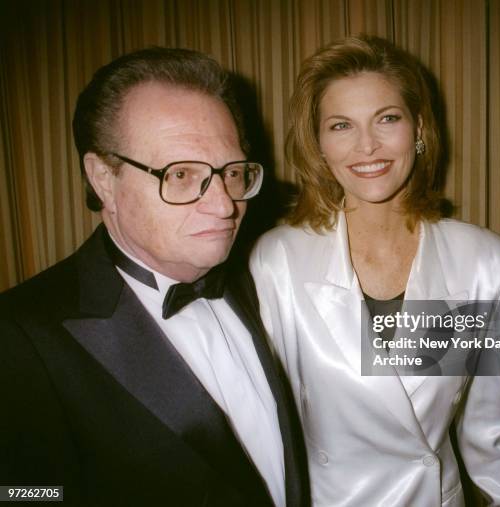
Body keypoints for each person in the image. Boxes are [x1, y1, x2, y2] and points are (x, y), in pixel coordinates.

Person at [0, 47, 309, 507]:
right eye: (181, 174)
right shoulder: (20, 337)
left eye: (232, 173)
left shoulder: (261, 274)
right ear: (103, 178)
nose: (225, 206)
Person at [250, 35, 500, 506]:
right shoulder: (277, 260)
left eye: (387, 119)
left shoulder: (486, 260)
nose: (367, 146)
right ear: (318, 143)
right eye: (340, 126)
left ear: (418, 128)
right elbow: (266, 423)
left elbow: (489, 418)